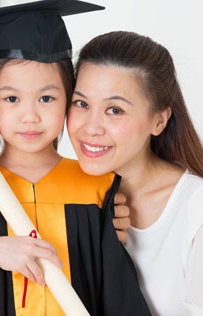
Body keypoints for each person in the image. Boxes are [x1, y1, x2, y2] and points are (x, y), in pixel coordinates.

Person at [0, 2, 150, 315]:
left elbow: (118, 294)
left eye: (47, 98)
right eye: (11, 98)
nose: (30, 116)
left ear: (69, 100)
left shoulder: (98, 190)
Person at [67, 30, 203, 315]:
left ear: (158, 120)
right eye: (81, 104)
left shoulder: (195, 212)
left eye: (114, 110)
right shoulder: (65, 199)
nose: (91, 128)